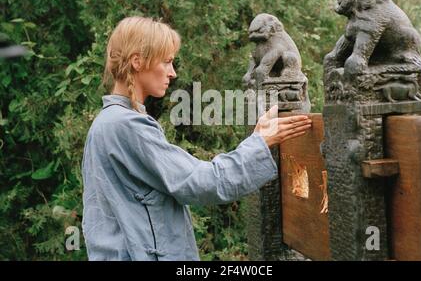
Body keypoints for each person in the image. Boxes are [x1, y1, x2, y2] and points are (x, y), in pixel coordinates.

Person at [81, 16, 312, 261]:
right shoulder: (126, 126)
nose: (173, 72)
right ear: (137, 61)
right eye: (167, 62)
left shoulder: (106, 123)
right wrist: (260, 143)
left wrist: (257, 139)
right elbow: (202, 182)